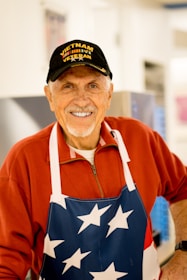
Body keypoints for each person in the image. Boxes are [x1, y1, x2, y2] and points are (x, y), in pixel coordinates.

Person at [0, 39, 187, 280]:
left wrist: (183, 253)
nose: (81, 99)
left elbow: (183, 187)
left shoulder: (140, 139)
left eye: (92, 86)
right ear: (50, 96)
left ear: (108, 94)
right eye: (67, 86)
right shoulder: (24, 160)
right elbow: (5, 260)